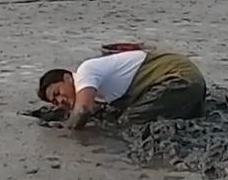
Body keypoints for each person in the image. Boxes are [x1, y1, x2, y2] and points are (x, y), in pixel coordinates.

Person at [37, 46, 208, 130]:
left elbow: (82, 110)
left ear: (67, 77)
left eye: (57, 93)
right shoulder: (101, 92)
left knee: (127, 124)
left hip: (178, 78)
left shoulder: (84, 71)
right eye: (55, 102)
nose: (59, 101)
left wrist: (67, 134)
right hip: (190, 85)